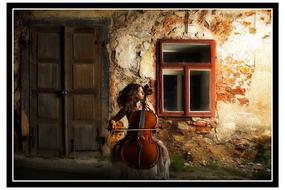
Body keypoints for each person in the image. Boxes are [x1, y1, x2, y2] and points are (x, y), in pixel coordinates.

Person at [109, 83, 170, 179]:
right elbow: (114, 119)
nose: (142, 93)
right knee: (117, 148)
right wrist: (112, 122)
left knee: (162, 149)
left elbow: (155, 121)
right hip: (131, 137)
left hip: (147, 136)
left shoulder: (147, 104)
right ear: (134, 94)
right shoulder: (128, 107)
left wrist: (152, 112)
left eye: (143, 92)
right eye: (141, 92)